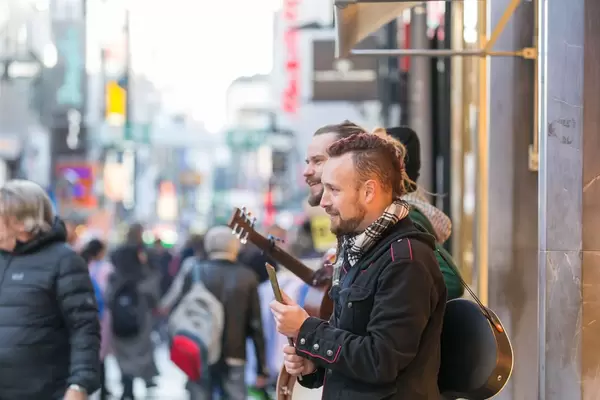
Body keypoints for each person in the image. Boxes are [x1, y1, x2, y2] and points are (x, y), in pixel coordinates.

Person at [270, 131, 447, 399]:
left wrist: (305, 329)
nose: (324, 201)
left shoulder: (406, 260)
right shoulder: (359, 250)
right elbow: (351, 343)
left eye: (334, 189)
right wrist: (313, 365)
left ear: (368, 191)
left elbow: (381, 361)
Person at [306, 121, 463, 300]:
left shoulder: (401, 218)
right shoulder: (359, 229)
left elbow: (450, 282)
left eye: (318, 161)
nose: (307, 171)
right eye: (308, 161)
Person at [0, 179, 100, 399]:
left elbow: (84, 328)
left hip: (43, 391)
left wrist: (79, 384)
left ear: (20, 221)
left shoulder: (64, 261)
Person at [182, 226, 269, 400]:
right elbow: (255, 325)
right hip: (235, 352)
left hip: (200, 350)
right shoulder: (248, 276)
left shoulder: (195, 272)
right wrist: (261, 367)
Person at [107, 223, 160, 400]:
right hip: (140, 313)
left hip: (119, 313)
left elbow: (109, 290)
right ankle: (144, 379)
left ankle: (127, 387)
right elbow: (152, 286)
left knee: (123, 353)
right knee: (141, 351)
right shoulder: (143, 260)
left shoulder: (116, 262)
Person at [80, 238, 114, 400]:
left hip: (85, 315)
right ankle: (101, 386)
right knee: (100, 353)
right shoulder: (106, 269)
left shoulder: (83, 266)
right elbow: (106, 293)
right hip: (100, 314)